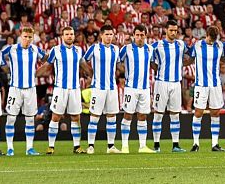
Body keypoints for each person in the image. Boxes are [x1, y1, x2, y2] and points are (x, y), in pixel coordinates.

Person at [40, 26, 86, 155]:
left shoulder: (78, 50)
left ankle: (77, 146)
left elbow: (83, 66)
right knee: (55, 116)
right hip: (60, 88)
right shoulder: (55, 50)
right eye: (67, 34)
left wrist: (92, 74)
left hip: (75, 89)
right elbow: (47, 66)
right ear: (62, 36)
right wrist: (35, 74)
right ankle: (51, 146)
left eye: (71, 34)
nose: (70, 36)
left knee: (76, 117)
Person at [1, 26, 45, 156]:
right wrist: (5, 69)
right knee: (11, 118)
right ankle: (10, 148)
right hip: (15, 89)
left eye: (29, 37)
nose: (27, 39)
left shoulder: (35, 49)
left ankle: (29, 148)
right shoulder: (12, 49)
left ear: (32, 38)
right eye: (25, 36)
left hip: (31, 89)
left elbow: (48, 58)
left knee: (30, 119)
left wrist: (39, 72)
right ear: (21, 36)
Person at [189, 25, 225, 152]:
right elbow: (190, 58)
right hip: (201, 84)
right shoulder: (197, 45)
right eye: (211, 38)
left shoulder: (219, 45)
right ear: (206, 34)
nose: (212, 41)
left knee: (215, 112)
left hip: (215, 84)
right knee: (198, 112)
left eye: (214, 39)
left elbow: (222, 58)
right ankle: (195, 143)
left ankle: (215, 144)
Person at [152, 20, 190, 153]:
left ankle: (175, 145)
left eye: (176, 31)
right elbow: (151, 61)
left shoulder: (181, 44)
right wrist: (158, 70)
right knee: (158, 114)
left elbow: (192, 55)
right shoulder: (157, 46)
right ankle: (156, 145)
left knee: (175, 115)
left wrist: (181, 66)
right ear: (166, 31)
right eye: (171, 30)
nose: (174, 33)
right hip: (161, 83)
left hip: (176, 83)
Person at [83, 24, 122, 154]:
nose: (109, 37)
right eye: (107, 34)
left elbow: (119, 64)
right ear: (101, 35)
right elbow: (83, 61)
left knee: (111, 117)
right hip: (98, 88)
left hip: (111, 88)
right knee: (94, 117)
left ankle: (110, 146)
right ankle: (90, 146)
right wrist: (89, 73)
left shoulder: (116, 49)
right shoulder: (94, 48)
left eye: (111, 34)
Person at [118, 25, 157, 154]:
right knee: (127, 115)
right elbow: (117, 61)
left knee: (142, 116)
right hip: (131, 88)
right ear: (134, 35)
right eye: (137, 35)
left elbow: (152, 64)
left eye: (142, 35)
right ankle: (124, 146)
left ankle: (142, 146)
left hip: (145, 88)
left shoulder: (150, 49)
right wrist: (121, 75)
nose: (140, 37)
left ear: (146, 35)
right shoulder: (127, 49)